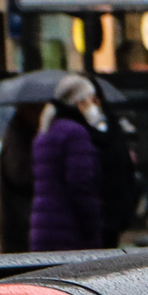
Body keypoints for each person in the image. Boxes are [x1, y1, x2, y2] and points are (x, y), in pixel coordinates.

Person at [29, 74, 105, 251]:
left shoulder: (45, 131)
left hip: (43, 227)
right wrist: (94, 225)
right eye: (88, 100)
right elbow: (81, 184)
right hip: (69, 229)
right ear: (78, 102)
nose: (92, 105)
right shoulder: (75, 133)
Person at [0, 101, 41, 253]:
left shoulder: (25, 132)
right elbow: (18, 174)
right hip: (17, 220)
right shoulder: (18, 134)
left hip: (20, 219)